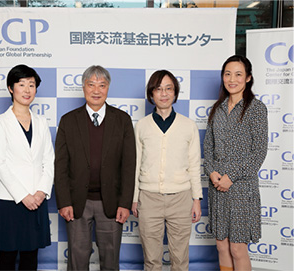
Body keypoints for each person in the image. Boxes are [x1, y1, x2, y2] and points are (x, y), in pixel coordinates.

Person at [54, 65, 136, 270]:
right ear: (83, 87)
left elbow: (129, 165)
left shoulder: (122, 120)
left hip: (112, 204)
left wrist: (125, 203)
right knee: (77, 262)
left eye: (102, 85)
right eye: (91, 85)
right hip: (76, 204)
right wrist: (64, 201)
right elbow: (61, 165)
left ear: (108, 88)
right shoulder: (68, 120)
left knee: (110, 261)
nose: (96, 90)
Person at [131, 70, 202, 271]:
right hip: (149, 198)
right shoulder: (142, 126)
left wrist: (196, 199)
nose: (163, 93)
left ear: (175, 93)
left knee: (180, 260)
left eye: (168, 88)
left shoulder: (189, 125)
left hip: (181, 198)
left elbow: (194, 164)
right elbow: (136, 164)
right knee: (151, 260)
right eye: (158, 89)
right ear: (151, 94)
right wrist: (135, 197)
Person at [203, 55, 268, 271]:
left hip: (241, 189)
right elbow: (208, 147)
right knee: (221, 246)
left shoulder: (256, 109)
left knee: (238, 248)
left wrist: (231, 177)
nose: (232, 79)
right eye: (228, 74)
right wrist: (211, 172)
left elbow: (258, 153)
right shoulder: (217, 109)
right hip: (217, 187)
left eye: (238, 74)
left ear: (248, 78)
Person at [0, 64, 54, 271]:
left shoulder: (42, 122)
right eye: (21, 84)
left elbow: (49, 160)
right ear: (11, 88)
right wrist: (24, 196)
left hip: (37, 198)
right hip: (10, 200)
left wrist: (41, 191)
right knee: (7, 257)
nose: (27, 90)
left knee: (30, 255)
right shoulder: (0, 122)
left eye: (31, 85)